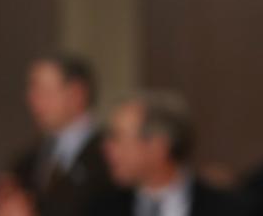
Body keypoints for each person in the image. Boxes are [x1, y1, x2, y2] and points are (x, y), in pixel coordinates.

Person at [0, 54, 112, 216]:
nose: (32, 99)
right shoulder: (25, 161)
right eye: (32, 90)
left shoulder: (110, 158)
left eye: (43, 91)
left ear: (76, 94)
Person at [91, 90, 242, 216]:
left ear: (158, 146)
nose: (106, 147)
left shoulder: (227, 209)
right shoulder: (100, 208)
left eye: (117, 137)